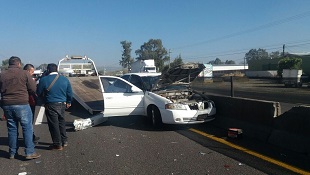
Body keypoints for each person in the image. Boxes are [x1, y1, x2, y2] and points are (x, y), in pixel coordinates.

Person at [0, 56, 41, 160]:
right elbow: (33, 88)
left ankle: (12, 153)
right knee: (27, 127)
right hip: (22, 103)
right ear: (19, 64)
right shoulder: (24, 73)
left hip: (7, 104)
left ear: (9, 64)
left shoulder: (2, 75)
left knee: (12, 129)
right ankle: (29, 152)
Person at [36, 63, 72, 150]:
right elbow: (70, 92)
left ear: (48, 70)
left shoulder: (44, 80)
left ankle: (57, 144)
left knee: (53, 125)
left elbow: (39, 92)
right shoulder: (65, 79)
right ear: (57, 70)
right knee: (61, 122)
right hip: (62, 104)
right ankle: (64, 141)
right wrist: (69, 101)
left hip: (51, 104)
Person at [23, 64, 40, 143]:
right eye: (32, 71)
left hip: (16, 102)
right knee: (29, 122)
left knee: (13, 126)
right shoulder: (28, 78)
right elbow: (33, 89)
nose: (33, 73)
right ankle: (29, 139)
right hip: (28, 102)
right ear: (27, 70)